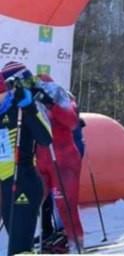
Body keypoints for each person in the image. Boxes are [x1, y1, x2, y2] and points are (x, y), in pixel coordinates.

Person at [0, 62, 53, 255]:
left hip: (24, 184)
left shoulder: (24, 107)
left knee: (19, 250)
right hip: (6, 186)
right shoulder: (2, 112)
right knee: (19, 248)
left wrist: (29, 106)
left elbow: (46, 138)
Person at [35, 79, 84, 253]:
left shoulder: (63, 98)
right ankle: (38, 239)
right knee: (31, 202)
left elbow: (71, 121)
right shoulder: (31, 102)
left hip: (63, 161)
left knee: (66, 206)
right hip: (42, 159)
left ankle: (75, 245)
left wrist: (51, 104)